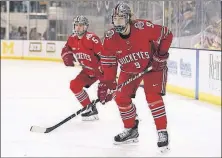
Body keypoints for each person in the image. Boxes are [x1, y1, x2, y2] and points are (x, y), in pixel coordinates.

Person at [97, 2, 173, 151]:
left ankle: (162, 131)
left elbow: (167, 34)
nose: (117, 23)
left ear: (128, 19)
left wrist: (161, 56)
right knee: (120, 97)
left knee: (153, 97)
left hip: (153, 66)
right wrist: (107, 84)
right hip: (129, 69)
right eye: (115, 19)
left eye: (121, 19)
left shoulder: (143, 28)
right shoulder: (110, 38)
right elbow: (109, 64)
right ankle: (131, 129)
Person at [61, 15, 106, 121]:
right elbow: (66, 48)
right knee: (74, 85)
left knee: (116, 92)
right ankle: (90, 109)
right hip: (87, 71)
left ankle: (132, 115)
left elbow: (104, 57)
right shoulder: (72, 38)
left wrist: (106, 80)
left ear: (86, 27)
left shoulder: (92, 39)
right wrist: (66, 55)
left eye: (80, 25)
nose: (78, 28)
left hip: (100, 70)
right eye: (76, 25)